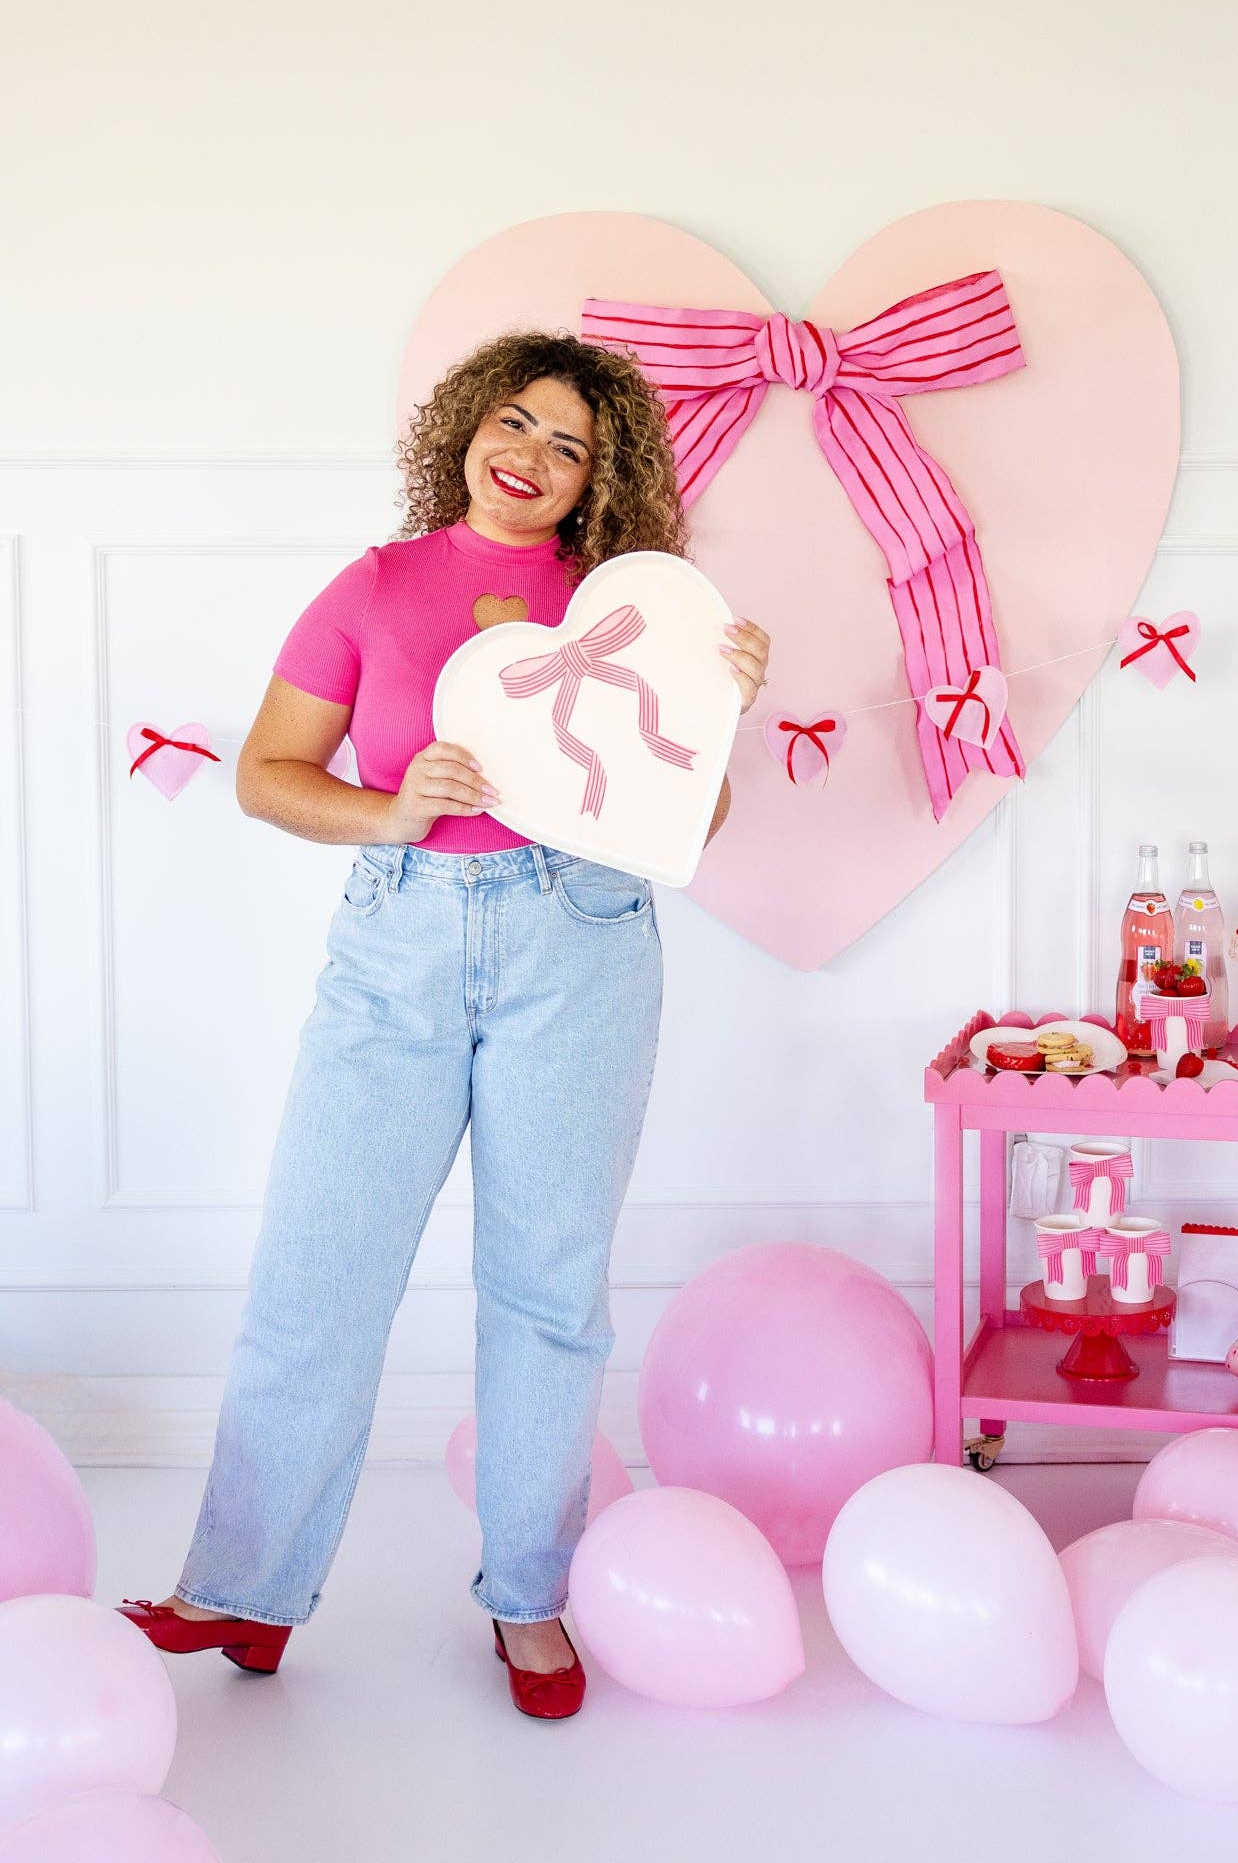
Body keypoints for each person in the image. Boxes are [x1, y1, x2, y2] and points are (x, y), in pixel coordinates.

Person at [118, 332, 770, 1719]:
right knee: (318, 1273)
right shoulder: (376, 586)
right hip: (401, 934)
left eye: (570, 446)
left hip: (582, 940)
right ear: (471, 426)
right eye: (516, 424)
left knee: (548, 1289)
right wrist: (395, 809)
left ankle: (531, 1601)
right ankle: (245, 1585)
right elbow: (268, 776)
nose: (530, 459)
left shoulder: (632, 607)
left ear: (602, 480)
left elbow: (684, 825)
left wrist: (724, 707)